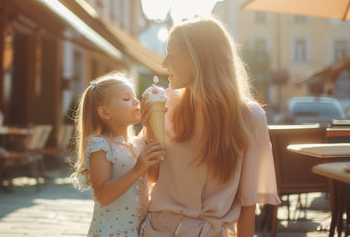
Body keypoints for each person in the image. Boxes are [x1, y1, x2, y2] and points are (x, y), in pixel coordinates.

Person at [139, 17, 280, 237]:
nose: (164, 63)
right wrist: (151, 132)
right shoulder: (163, 106)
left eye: (172, 54)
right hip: (158, 230)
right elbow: (151, 177)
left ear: (198, 59)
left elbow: (248, 203)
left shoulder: (251, 117)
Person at [71, 73, 165, 237]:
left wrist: (152, 128)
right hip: (111, 232)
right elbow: (103, 195)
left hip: (138, 231)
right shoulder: (101, 145)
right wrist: (138, 169)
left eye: (135, 97)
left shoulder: (139, 143)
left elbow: (152, 178)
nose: (136, 102)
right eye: (126, 99)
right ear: (105, 113)